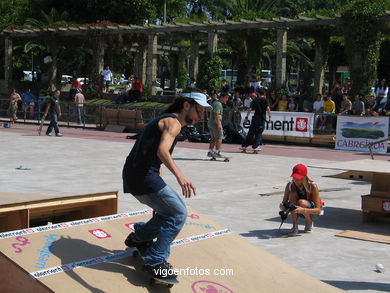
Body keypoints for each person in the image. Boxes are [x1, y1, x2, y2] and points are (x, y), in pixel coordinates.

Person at [122, 88, 211, 281]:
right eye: (200, 111)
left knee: (167, 211)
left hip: (134, 175)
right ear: (187, 105)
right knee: (179, 213)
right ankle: (155, 260)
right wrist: (181, 176)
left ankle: (140, 237)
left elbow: (154, 153)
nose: (201, 116)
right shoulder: (174, 123)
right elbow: (162, 150)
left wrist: (160, 180)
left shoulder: (165, 119)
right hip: (143, 177)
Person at [279, 164, 324, 236]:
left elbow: (318, 210)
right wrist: (283, 208)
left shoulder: (312, 185)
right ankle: (295, 226)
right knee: (293, 195)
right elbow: (284, 202)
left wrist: (303, 210)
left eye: (298, 178)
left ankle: (309, 223)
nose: (296, 180)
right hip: (298, 210)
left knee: (302, 202)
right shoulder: (290, 185)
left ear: (304, 177)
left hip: (313, 212)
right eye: (294, 177)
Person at [207, 93, 228, 157]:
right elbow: (216, 114)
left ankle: (210, 152)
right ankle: (217, 152)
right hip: (215, 123)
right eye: (226, 97)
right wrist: (219, 124)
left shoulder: (215, 103)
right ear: (221, 97)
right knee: (219, 137)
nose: (227, 99)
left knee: (213, 138)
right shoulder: (218, 104)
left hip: (211, 123)